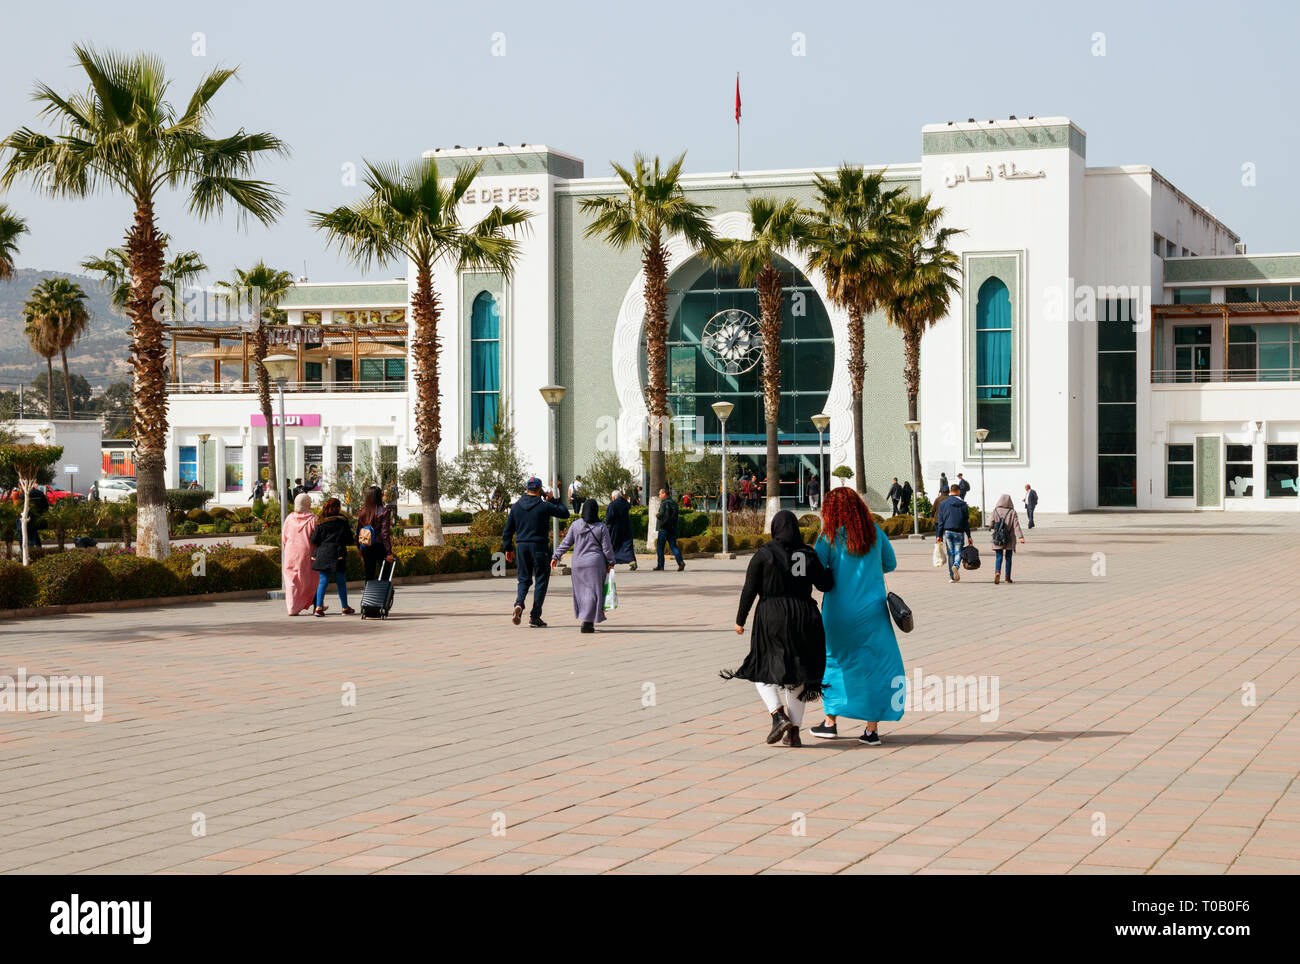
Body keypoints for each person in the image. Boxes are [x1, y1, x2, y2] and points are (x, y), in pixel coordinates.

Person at [723, 509, 834, 747]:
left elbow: (749, 590)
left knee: (761, 667)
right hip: (805, 616)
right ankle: (793, 733)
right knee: (798, 676)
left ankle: (778, 715)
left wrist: (740, 620)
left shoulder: (764, 554)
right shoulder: (808, 553)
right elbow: (825, 584)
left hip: (772, 616)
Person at [809, 487, 906, 746]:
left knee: (835, 662)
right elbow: (891, 564)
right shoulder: (875, 533)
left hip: (838, 612)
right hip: (873, 612)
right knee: (874, 665)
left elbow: (817, 568)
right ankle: (871, 729)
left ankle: (830, 722)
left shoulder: (829, 536)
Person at [503, 476, 570, 628]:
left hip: (521, 547)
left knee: (524, 579)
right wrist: (551, 499)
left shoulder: (516, 507)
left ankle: (519, 603)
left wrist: (508, 548)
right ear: (540, 490)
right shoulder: (544, 506)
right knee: (541, 580)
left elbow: (507, 532)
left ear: (527, 489)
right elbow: (564, 513)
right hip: (539, 547)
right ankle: (535, 616)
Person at [553, 499, 616, 633]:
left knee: (581, 593)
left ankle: (585, 619)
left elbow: (566, 543)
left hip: (578, 564)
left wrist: (556, 556)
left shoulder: (576, 525)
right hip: (595, 564)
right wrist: (611, 562)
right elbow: (607, 548)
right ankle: (588, 622)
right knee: (593, 593)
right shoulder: (601, 527)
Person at [309, 497, 355, 616]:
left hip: (323, 553)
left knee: (323, 581)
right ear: (338, 508)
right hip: (338, 553)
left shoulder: (320, 522)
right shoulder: (342, 521)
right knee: (340, 581)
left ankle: (318, 607)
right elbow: (349, 539)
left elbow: (314, 539)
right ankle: (345, 607)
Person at [282, 492, 319, 615]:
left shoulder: (289, 518)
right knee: (311, 580)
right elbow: (317, 538)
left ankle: (292, 607)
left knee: (291, 580)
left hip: (290, 553)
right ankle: (315, 604)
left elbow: (284, 538)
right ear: (307, 504)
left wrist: (286, 549)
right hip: (307, 552)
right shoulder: (313, 518)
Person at [935, 483, 973, 583]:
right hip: (959, 532)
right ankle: (956, 565)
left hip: (948, 532)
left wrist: (939, 535)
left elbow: (941, 521)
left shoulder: (943, 504)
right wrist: (969, 535)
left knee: (950, 553)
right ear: (959, 491)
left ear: (950, 491)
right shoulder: (963, 504)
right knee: (958, 552)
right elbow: (966, 521)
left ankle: (952, 577)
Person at [356, 484, 395, 581]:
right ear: (379, 496)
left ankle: (369, 595)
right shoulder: (384, 511)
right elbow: (385, 533)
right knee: (385, 574)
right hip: (379, 546)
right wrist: (389, 552)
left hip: (366, 546)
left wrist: (359, 547)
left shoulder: (362, 512)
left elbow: (358, 531)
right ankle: (383, 595)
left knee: (369, 574)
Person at [989, 493, 1027, 585]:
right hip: (1009, 537)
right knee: (1008, 557)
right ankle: (1007, 578)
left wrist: (992, 527)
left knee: (999, 556)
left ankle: (997, 572)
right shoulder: (1012, 512)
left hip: (998, 537)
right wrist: (1021, 537)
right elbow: (1016, 525)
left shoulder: (995, 510)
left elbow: (991, 523)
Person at [654, 487, 684, 571]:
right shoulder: (674, 503)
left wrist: (657, 514)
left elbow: (661, 515)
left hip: (663, 529)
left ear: (664, 494)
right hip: (673, 528)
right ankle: (680, 562)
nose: (659, 495)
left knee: (660, 547)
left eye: (660, 494)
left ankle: (660, 565)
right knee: (673, 546)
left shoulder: (664, 503)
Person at [604, 489, 637, 570]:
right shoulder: (626, 503)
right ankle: (632, 562)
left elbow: (609, 517)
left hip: (615, 529)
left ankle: (610, 563)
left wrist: (605, 524)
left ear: (614, 497)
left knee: (613, 545)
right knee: (627, 545)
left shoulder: (612, 505)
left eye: (612, 497)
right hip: (626, 527)